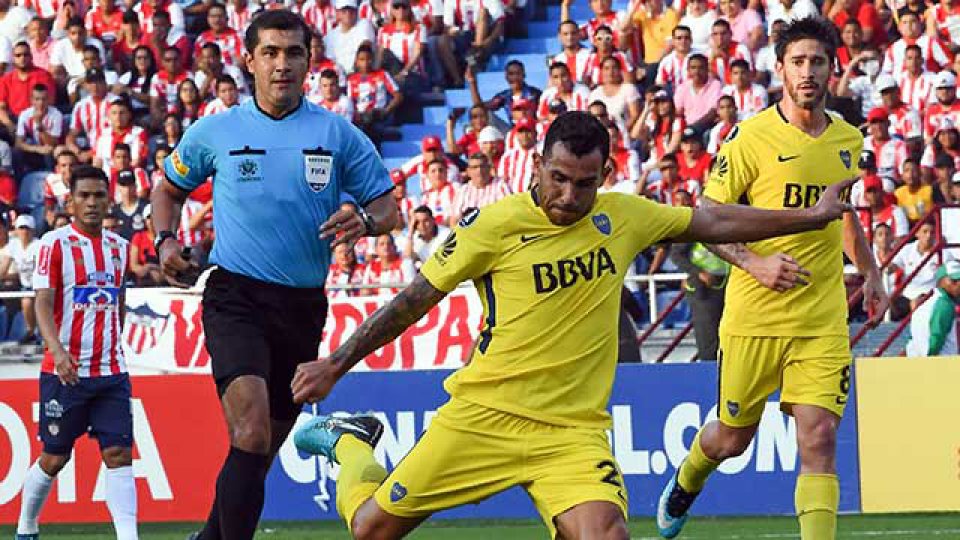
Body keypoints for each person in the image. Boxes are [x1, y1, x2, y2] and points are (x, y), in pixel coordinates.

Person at [287, 110, 856, 540]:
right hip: (484, 416)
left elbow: (713, 219)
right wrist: (337, 362)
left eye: (584, 183)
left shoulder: (623, 216)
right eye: (558, 178)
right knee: (369, 528)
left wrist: (811, 216)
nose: (568, 196)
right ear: (538, 162)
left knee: (607, 532)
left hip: (571, 432)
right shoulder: (494, 225)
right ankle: (348, 444)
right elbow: (414, 300)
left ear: (604, 173)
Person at [151, 11, 398, 540]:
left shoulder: (337, 134)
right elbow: (167, 189)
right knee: (252, 431)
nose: (281, 64)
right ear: (250, 60)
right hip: (235, 296)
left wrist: (367, 218)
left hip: (303, 306)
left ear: (310, 60)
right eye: (270, 52)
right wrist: (165, 240)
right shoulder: (216, 130)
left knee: (257, 453)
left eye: (293, 53)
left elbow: (387, 206)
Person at [656, 17, 888, 540]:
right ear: (780, 68)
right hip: (754, 318)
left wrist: (870, 271)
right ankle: (689, 477)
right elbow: (707, 219)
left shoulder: (848, 140)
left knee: (820, 436)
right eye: (798, 62)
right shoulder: (750, 138)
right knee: (731, 439)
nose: (808, 72)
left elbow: (842, 214)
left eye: (818, 62)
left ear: (833, 69)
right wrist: (753, 263)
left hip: (821, 317)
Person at [14, 165, 136, 540]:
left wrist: (115, 342)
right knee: (55, 457)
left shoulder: (119, 247)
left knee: (119, 454)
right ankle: (26, 526)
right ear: (70, 200)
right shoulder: (54, 244)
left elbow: (119, 303)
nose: (92, 203)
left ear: (109, 199)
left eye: (99, 195)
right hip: (65, 373)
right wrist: (59, 352)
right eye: (84, 196)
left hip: (111, 372)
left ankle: (129, 537)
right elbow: (41, 304)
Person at [905, 260, 960, 356]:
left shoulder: (927, 303)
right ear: (941, 281)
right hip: (942, 364)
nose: (958, 284)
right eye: (954, 280)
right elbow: (936, 338)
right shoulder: (944, 305)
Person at [8, 214, 40, 344]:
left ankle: (37, 333)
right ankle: (31, 332)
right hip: (25, 286)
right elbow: (5, 265)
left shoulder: (39, 245)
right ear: (16, 230)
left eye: (27, 228)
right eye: (21, 228)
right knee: (25, 300)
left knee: (28, 300)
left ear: (33, 230)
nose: (24, 232)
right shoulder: (14, 245)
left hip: (40, 285)